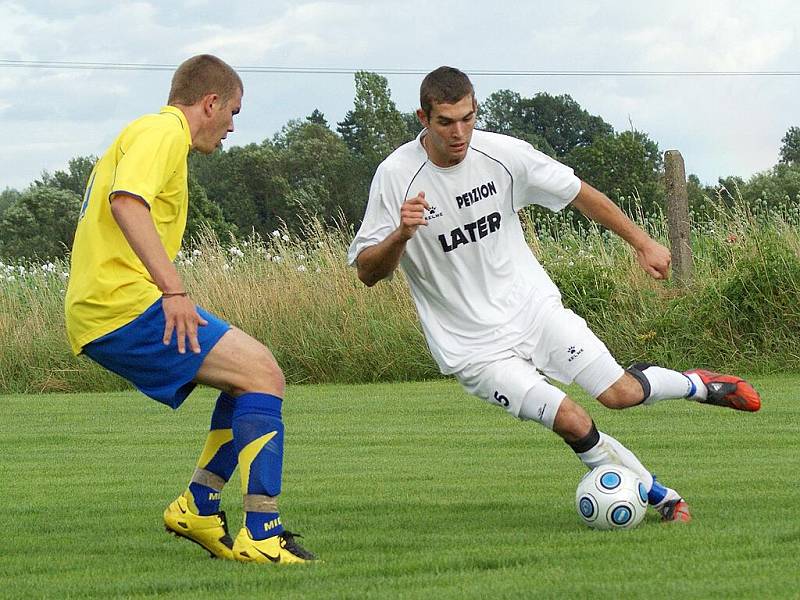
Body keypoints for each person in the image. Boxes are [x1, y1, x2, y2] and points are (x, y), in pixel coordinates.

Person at [348, 66, 761, 523]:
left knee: (620, 393)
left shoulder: (504, 154)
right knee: (571, 420)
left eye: (467, 118)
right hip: (473, 349)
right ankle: (662, 498)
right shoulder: (396, 176)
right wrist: (402, 234)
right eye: (446, 122)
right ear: (423, 118)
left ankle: (698, 385)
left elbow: (580, 195)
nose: (459, 132)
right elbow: (369, 272)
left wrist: (642, 242)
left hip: (534, 311)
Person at [65, 54, 315, 563]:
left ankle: (199, 507)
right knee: (265, 374)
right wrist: (174, 292)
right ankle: (262, 534)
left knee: (249, 376)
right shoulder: (163, 132)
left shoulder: (151, 134)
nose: (231, 128)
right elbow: (126, 202)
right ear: (210, 102)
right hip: (121, 306)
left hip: (110, 306)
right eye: (234, 113)